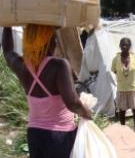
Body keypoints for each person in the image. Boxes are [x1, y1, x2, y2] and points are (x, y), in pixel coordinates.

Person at [2, 25, 92, 158]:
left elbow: (8, 51)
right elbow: (72, 102)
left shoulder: (22, 66)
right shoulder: (59, 65)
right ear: (48, 41)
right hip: (60, 136)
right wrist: (86, 112)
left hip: (35, 135)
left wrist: (7, 24)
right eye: (54, 39)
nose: (55, 43)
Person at [112, 37, 135, 132]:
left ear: (130, 46)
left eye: (127, 45)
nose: (124, 46)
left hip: (132, 88)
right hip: (121, 89)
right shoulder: (116, 59)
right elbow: (115, 71)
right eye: (123, 45)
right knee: (122, 111)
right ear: (119, 46)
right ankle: (123, 130)